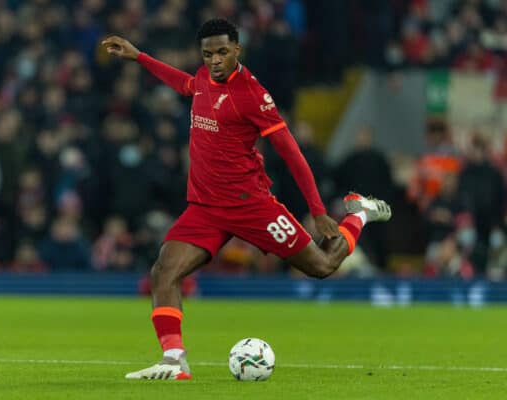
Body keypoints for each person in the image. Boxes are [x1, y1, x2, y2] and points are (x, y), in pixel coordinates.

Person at [102, 18, 391, 381]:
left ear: (237, 49)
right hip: (206, 207)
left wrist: (317, 212)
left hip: (251, 205)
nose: (215, 60)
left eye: (223, 52)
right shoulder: (205, 77)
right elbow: (187, 85)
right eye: (208, 54)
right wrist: (139, 56)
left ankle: (360, 214)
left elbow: (292, 155)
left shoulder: (253, 96)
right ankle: (174, 360)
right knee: (163, 272)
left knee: (321, 266)